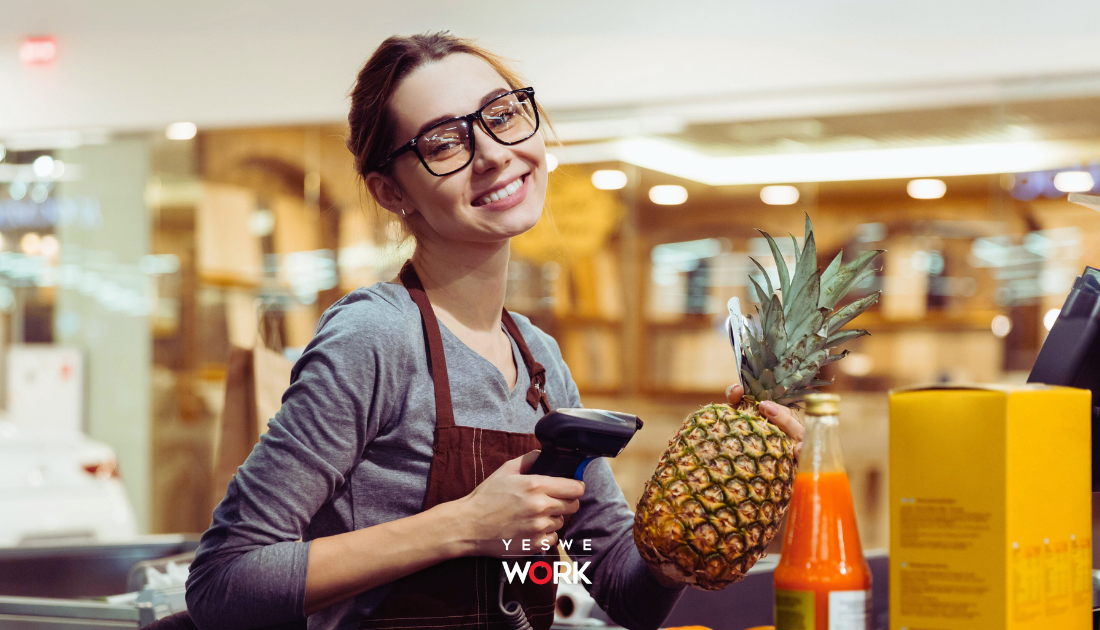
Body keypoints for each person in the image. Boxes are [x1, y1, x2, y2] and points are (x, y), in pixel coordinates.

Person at [185, 32, 804, 630]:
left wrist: (702, 510)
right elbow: (224, 582)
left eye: (502, 115)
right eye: (444, 141)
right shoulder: (375, 337)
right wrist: (460, 525)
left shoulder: (539, 361)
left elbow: (622, 590)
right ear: (390, 190)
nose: (493, 153)